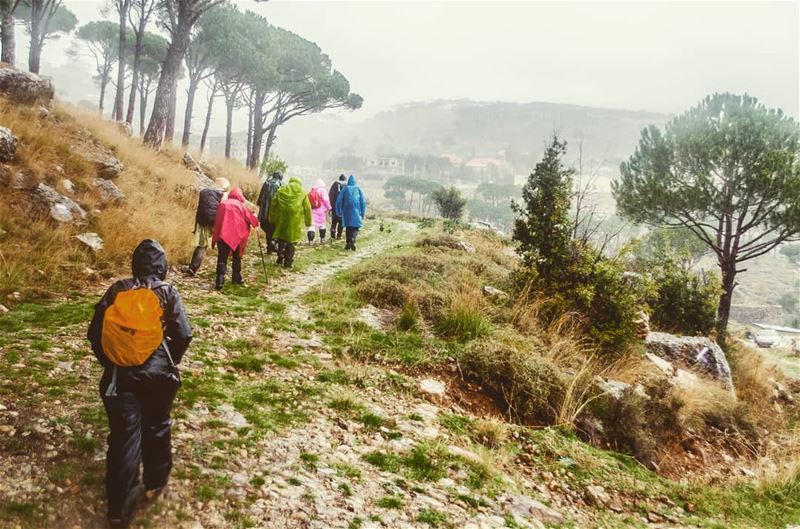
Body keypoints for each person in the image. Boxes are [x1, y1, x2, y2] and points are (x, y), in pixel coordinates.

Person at [87, 239, 192, 528]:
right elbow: (183, 334)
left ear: (135, 263)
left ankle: (119, 509)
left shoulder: (118, 289)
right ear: (163, 266)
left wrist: (111, 361)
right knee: (157, 425)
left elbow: (95, 332)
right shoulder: (168, 292)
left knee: (124, 436)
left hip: (120, 379)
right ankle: (156, 481)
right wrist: (169, 359)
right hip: (159, 377)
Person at [211, 187, 258, 290]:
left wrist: (215, 236)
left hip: (223, 235)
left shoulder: (223, 205)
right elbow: (253, 221)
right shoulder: (242, 206)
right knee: (237, 258)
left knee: (222, 258)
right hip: (238, 236)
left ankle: (219, 281)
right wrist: (254, 216)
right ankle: (236, 277)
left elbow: (217, 222)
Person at [185, 178, 230, 275]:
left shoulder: (205, 192)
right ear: (225, 187)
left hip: (204, 221)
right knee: (221, 246)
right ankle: (221, 271)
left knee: (202, 245)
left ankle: (193, 268)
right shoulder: (224, 195)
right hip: (216, 222)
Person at [269, 177, 312, 268]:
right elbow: (307, 208)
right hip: (295, 219)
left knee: (281, 236)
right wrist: (308, 222)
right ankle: (288, 262)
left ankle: (280, 255)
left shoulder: (282, 189)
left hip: (282, 217)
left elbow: (273, 203)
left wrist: (272, 218)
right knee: (291, 241)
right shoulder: (302, 192)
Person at [335, 175, 367, 251]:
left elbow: (339, 201)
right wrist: (362, 213)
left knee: (348, 226)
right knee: (356, 226)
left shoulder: (345, 189)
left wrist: (338, 211)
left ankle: (348, 242)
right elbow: (363, 202)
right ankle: (353, 239)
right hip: (356, 209)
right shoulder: (358, 189)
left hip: (346, 210)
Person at [256, 171, 283, 254]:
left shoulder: (266, 183)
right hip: (273, 212)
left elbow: (260, 198)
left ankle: (270, 246)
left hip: (263, 212)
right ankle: (272, 244)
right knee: (273, 228)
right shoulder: (280, 185)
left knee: (267, 228)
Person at [308, 178, 331, 244]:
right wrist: (329, 208)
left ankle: (310, 240)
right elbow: (326, 200)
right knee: (322, 225)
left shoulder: (313, 190)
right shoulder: (323, 191)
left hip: (313, 210)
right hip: (321, 211)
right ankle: (322, 238)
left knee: (312, 225)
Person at [328, 174, 346, 240]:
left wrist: (330, 207)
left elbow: (330, 196)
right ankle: (339, 236)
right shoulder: (345, 186)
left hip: (334, 207)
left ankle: (332, 235)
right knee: (341, 222)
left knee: (334, 222)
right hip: (342, 209)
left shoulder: (334, 185)